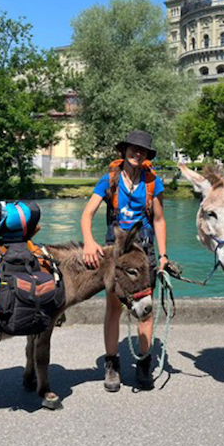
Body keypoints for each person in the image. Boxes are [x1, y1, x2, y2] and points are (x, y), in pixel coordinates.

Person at [81, 129, 168, 391]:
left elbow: (159, 220)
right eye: (132, 148)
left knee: (146, 309)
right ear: (124, 151)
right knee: (114, 308)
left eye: (142, 150)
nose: (136, 152)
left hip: (145, 254)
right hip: (116, 253)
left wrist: (163, 256)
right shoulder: (109, 180)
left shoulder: (153, 182)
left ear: (146, 155)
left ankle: (143, 364)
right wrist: (88, 241)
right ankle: (112, 366)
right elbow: (87, 215)